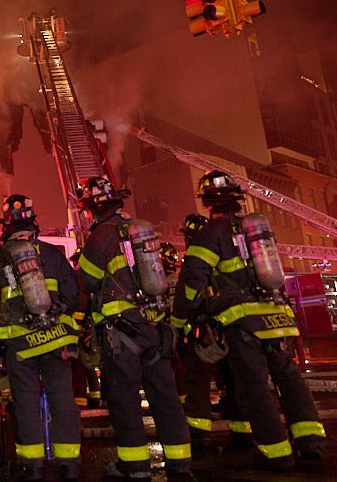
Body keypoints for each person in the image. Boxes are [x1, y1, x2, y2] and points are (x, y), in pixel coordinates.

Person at [172, 170, 324, 472]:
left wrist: (192, 316)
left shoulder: (210, 234)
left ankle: (276, 453)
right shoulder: (256, 230)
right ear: (236, 199)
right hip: (278, 316)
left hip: (243, 323)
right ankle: (310, 442)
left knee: (254, 385)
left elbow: (192, 282)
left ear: (207, 202)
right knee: (289, 379)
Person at [75, 177, 193, 481]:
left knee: (124, 399)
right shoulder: (141, 229)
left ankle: (135, 468)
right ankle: (180, 466)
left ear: (92, 209)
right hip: (154, 326)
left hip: (121, 332)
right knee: (165, 397)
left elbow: (87, 281)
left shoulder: (101, 235)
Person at [0, 194, 82, 481]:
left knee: (27, 402)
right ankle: (69, 463)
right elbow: (73, 295)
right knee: (62, 401)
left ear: (7, 227)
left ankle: (32, 465)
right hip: (56, 340)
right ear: (33, 225)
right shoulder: (53, 253)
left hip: (20, 344)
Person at [172, 214, 252, 457]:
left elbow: (184, 299)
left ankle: (198, 437)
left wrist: (178, 329)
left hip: (205, 332)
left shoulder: (196, 259)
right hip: (233, 327)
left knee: (198, 382)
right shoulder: (229, 254)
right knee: (234, 379)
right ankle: (243, 434)